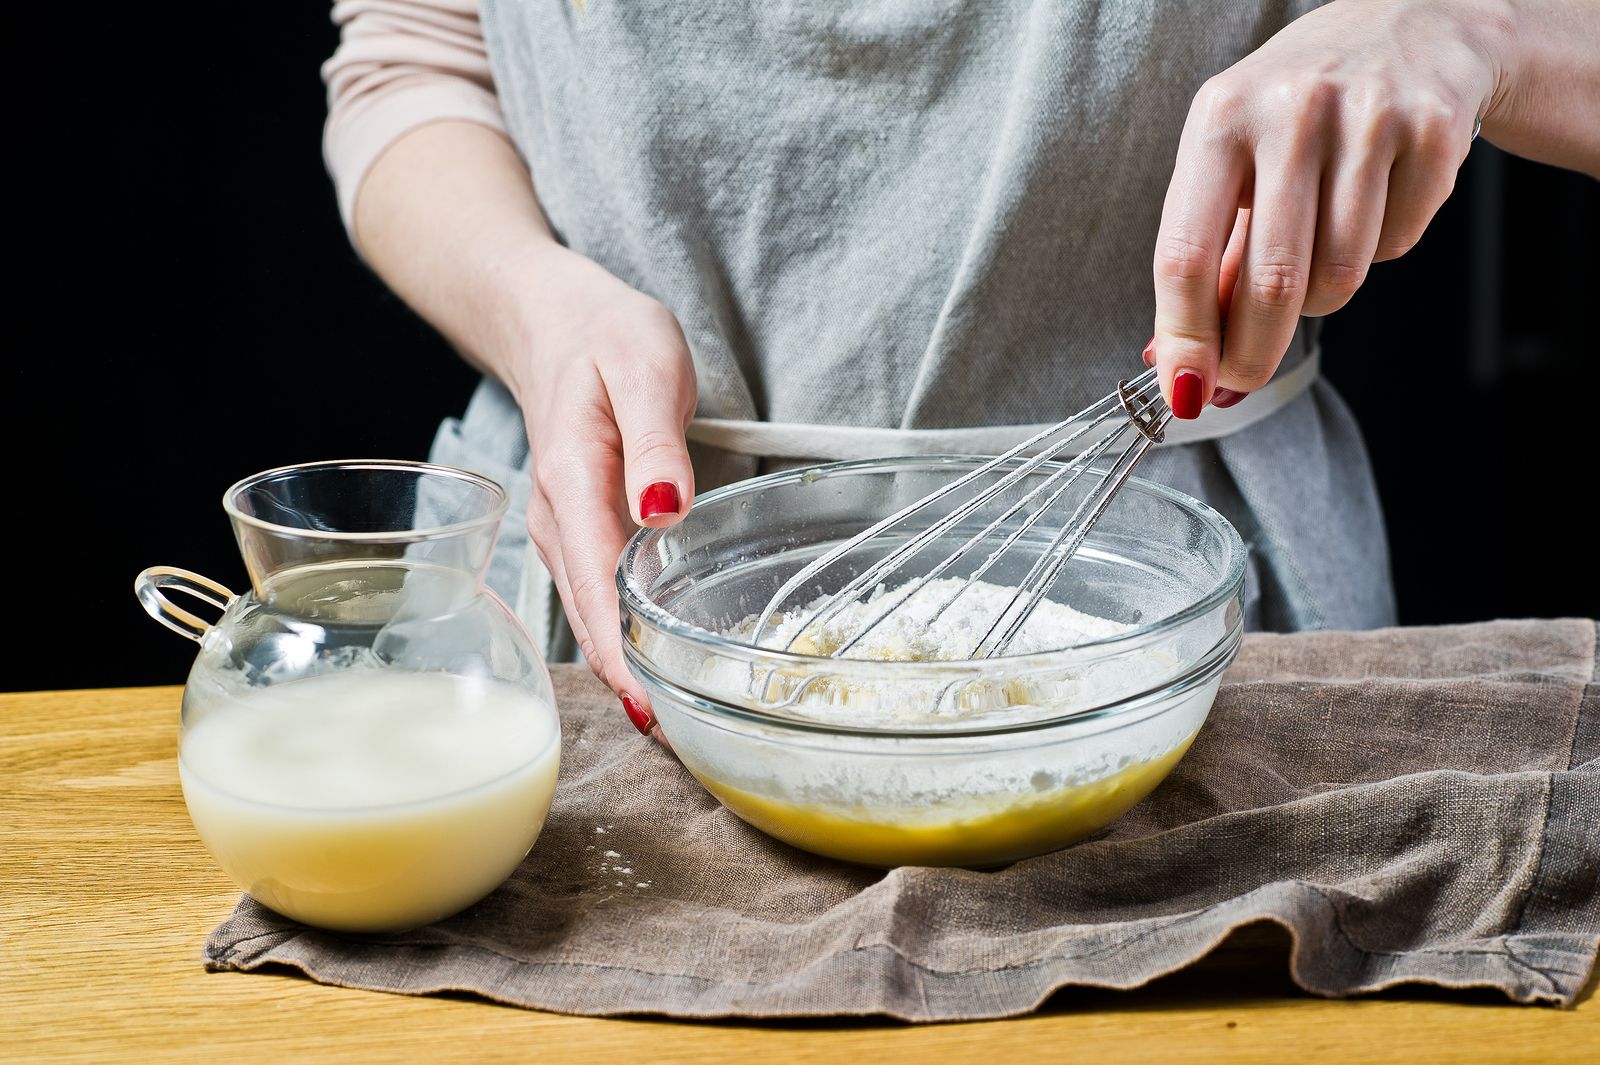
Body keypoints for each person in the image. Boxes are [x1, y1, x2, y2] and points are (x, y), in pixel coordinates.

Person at [322, 0, 1599, 732]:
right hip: (596, 613)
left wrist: (1465, 30)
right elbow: (412, 56)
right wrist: (537, 311)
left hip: (1194, 651)